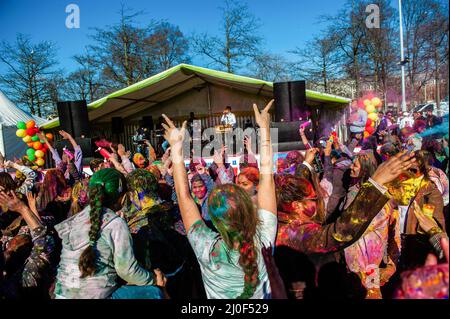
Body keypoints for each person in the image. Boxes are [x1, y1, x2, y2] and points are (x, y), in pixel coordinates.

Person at [161, 100, 277, 299]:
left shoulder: (205, 246)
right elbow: (267, 181)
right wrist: (265, 130)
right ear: (248, 210)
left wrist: (177, 148)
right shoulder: (264, 238)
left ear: (214, 220)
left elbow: (183, 196)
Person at [53, 168, 166, 299]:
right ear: (123, 197)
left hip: (62, 294)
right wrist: (153, 279)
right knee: (155, 292)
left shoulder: (76, 219)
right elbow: (127, 270)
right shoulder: (116, 224)